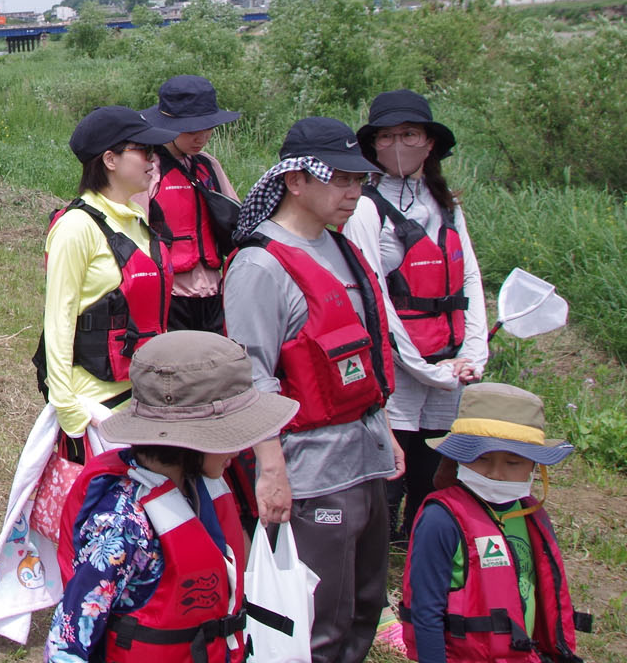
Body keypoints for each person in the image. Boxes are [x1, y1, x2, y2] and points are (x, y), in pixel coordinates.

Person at [223, 117, 405, 663]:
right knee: (318, 620)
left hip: (365, 459)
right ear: (296, 181)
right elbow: (251, 376)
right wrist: (271, 471)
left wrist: (387, 433)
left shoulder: (342, 248)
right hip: (312, 470)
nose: (354, 193)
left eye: (361, 181)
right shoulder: (260, 265)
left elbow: (364, 359)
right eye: (342, 179)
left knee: (364, 605)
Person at [49, 332, 299, 663]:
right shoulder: (123, 524)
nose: (239, 450)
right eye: (232, 434)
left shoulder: (199, 487)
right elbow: (68, 642)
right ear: (190, 439)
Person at [343, 90, 486, 543]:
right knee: (392, 469)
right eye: (386, 137)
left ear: (429, 143)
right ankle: (377, 556)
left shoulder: (447, 205)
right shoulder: (365, 208)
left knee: (434, 467)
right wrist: (424, 368)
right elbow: (373, 298)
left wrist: (473, 356)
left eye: (409, 134)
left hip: (450, 359)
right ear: (373, 147)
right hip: (400, 365)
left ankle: (422, 545)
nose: (398, 144)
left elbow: (471, 284)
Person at [399, 384, 585, 663]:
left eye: (513, 462)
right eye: (482, 458)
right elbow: (426, 610)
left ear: (535, 467)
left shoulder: (530, 514)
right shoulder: (441, 520)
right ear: (457, 457)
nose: (496, 473)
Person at [39, 106, 179, 453]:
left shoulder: (138, 219)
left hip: (145, 395)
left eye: (154, 152)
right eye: (143, 150)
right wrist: (68, 409)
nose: (152, 160)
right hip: (97, 408)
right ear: (110, 160)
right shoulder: (76, 227)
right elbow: (59, 318)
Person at [139, 75, 242, 335]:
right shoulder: (150, 169)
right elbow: (133, 232)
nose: (202, 137)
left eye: (208, 128)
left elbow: (236, 217)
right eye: (192, 130)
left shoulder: (209, 166)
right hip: (169, 293)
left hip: (213, 292)